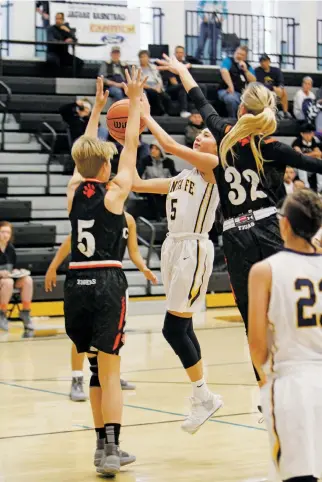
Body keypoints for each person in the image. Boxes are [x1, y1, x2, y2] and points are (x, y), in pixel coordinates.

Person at [157, 54, 322, 389]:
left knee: (253, 321)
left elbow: (201, 102)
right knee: (288, 306)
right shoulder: (271, 146)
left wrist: (183, 70)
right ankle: (299, 376)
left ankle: (266, 392)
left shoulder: (224, 133)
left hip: (236, 237)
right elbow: (312, 163)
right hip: (266, 228)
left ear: (242, 110)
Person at [64, 68, 146, 475]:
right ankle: (112, 449)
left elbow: (85, 152)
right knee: (111, 371)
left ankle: (101, 448)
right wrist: (132, 104)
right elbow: (129, 143)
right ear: (105, 166)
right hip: (107, 283)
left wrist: (96, 109)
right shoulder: (115, 194)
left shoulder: (73, 191)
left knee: (95, 368)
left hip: (75, 282)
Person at [132, 94, 223, 435]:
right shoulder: (181, 178)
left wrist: (146, 115)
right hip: (174, 248)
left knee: (172, 330)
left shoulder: (216, 170)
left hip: (194, 249)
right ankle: (203, 395)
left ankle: (204, 395)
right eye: (199, 135)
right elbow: (137, 183)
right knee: (182, 327)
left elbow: (168, 144)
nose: (200, 136)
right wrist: (129, 138)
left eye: (207, 136)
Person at [248, 189, 322, 482]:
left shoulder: (265, 270)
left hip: (293, 383)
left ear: (285, 225)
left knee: (298, 477)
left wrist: (266, 377)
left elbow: (257, 346)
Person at [44, 211, 157, 400]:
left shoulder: (128, 219)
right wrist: (53, 266)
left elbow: (134, 251)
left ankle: (111, 374)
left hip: (112, 281)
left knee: (115, 333)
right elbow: (71, 240)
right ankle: (77, 378)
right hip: (87, 278)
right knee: (82, 334)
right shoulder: (93, 212)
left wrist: (143, 267)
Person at [0, 221, 34, 332]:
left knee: (27, 280)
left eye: (8, 232)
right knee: (8, 282)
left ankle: (25, 312)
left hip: (8, 280)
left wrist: (17, 271)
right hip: (3, 282)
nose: (5, 235)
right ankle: (2, 313)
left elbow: (12, 268)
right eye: (2, 232)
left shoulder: (11, 249)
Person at [218, 45, 256, 118]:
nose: (239, 56)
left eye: (242, 55)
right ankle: (234, 120)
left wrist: (246, 70)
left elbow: (253, 80)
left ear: (245, 57)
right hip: (226, 90)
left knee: (254, 101)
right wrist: (230, 86)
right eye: (238, 53)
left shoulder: (247, 66)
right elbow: (224, 71)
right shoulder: (228, 60)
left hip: (242, 93)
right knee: (232, 99)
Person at [255, 54, 292, 120]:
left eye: (265, 61)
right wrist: (272, 88)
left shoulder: (276, 70)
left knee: (283, 92)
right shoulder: (257, 71)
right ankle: (270, 114)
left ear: (269, 61)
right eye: (261, 62)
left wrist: (280, 88)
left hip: (275, 91)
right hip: (263, 92)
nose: (263, 63)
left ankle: (285, 112)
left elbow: (281, 82)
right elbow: (260, 84)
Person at [195, 0, 228, 65]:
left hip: (216, 24)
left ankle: (213, 63)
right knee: (200, 44)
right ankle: (196, 61)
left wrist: (221, 19)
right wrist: (203, 17)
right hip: (205, 24)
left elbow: (225, 11)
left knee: (213, 47)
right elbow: (199, 7)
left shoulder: (223, 1)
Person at [138, 50, 169, 116]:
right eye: (141, 57)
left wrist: (158, 86)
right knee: (153, 93)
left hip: (156, 85)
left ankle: (165, 113)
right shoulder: (137, 69)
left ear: (148, 58)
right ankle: (161, 112)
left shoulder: (154, 67)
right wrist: (152, 88)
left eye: (145, 57)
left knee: (166, 97)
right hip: (145, 87)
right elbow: (139, 83)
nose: (143, 59)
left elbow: (159, 79)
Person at [292, 124, 322, 192]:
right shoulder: (297, 141)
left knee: (320, 162)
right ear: (302, 134)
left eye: (311, 133)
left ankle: (320, 187)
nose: (309, 136)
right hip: (298, 164)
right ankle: (305, 186)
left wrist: (307, 155)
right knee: (301, 163)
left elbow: (319, 154)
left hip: (310, 163)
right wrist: (313, 154)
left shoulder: (313, 141)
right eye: (307, 134)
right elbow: (299, 155)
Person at [165, 46, 192, 118]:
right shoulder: (171, 64)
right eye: (177, 52)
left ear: (184, 54)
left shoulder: (186, 64)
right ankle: (184, 111)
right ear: (174, 54)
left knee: (201, 87)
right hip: (172, 89)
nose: (179, 54)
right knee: (182, 87)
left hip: (184, 88)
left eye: (181, 52)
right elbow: (173, 82)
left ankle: (202, 109)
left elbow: (189, 79)